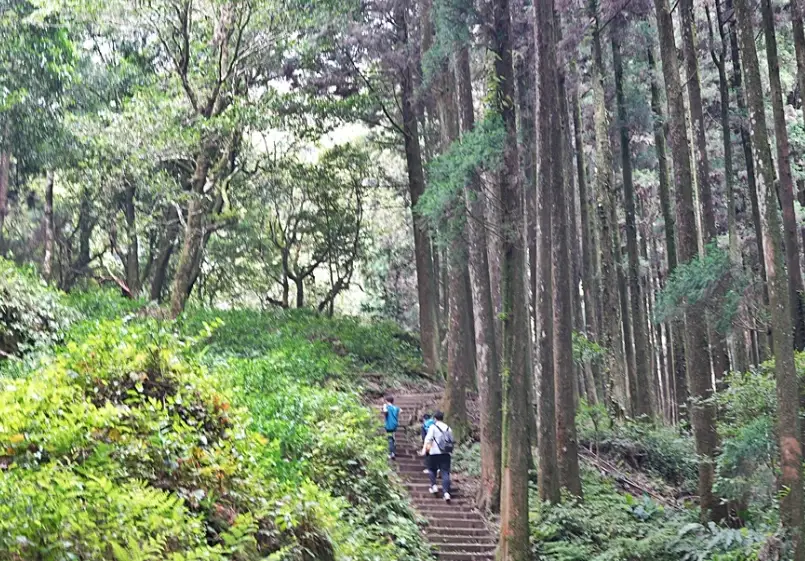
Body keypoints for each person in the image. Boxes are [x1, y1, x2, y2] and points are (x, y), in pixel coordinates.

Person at [420, 410, 454, 502]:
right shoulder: (448, 428)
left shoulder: (433, 427)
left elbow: (428, 439)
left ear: (435, 418)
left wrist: (425, 451)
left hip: (434, 453)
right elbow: (451, 440)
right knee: (445, 472)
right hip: (446, 453)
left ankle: (434, 486)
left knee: (431, 469)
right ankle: (446, 493)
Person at [382, 395, 400, 460]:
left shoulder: (387, 407)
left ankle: (391, 453)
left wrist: (384, 407)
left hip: (389, 425)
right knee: (393, 438)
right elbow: (401, 411)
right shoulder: (396, 408)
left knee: (390, 439)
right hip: (395, 425)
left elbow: (385, 412)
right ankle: (394, 452)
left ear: (386, 401)